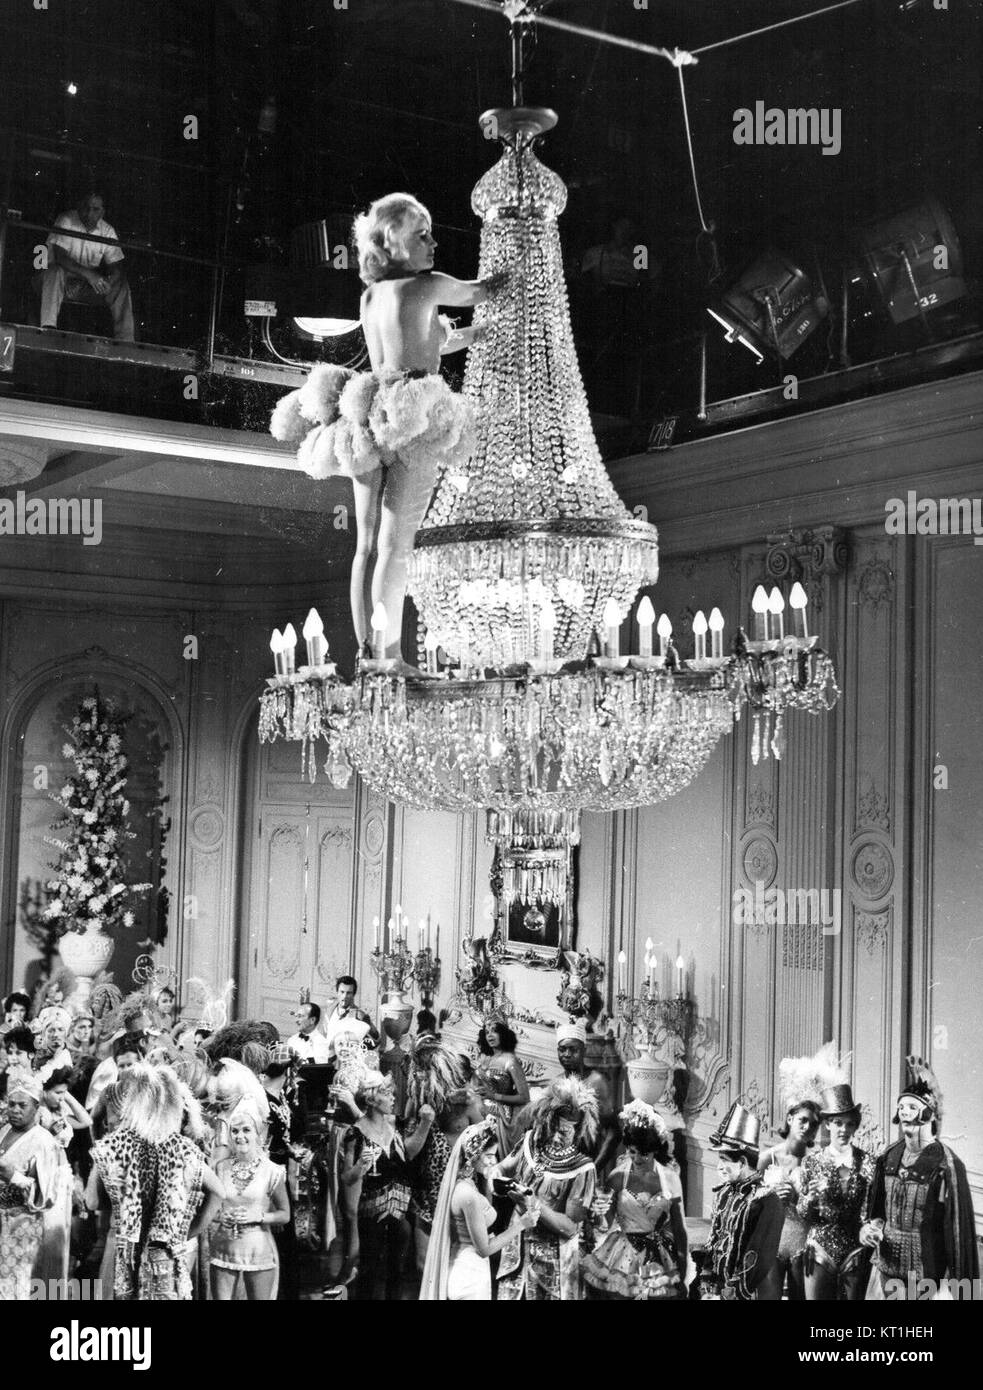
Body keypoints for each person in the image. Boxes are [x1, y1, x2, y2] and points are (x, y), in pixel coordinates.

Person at [271, 192, 504, 666]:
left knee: (367, 546)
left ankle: (369, 652)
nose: (434, 242)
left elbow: (423, 343)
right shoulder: (429, 285)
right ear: (391, 241)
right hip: (414, 416)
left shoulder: (372, 294)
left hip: (370, 413)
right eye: (422, 234)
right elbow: (481, 291)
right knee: (397, 548)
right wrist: (514, 260)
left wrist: (475, 337)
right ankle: (390, 655)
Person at [89, 1064, 223, 1300]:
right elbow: (218, 1191)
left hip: (125, 1250)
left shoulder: (114, 1146)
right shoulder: (182, 1148)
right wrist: (188, 1232)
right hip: (166, 1257)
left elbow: (91, 1202)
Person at [860, 1055, 979, 1300]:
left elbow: (957, 1236)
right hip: (884, 1274)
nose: (905, 1113)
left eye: (912, 1107)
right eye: (901, 1107)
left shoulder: (946, 1164)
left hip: (926, 1282)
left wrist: (958, 1290)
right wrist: (870, 1228)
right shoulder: (889, 1156)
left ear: (929, 1114)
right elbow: (876, 1212)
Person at [494, 1078, 599, 1302]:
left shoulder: (582, 1169)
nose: (554, 1137)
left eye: (564, 1132)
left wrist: (534, 1204)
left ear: (578, 1130)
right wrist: (494, 1173)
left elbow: (570, 1227)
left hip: (553, 1266)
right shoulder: (531, 1141)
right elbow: (504, 1166)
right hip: (517, 1255)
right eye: (553, 1128)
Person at [332, 1070, 431, 1300]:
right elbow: (346, 1178)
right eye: (387, 1094)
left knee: (396, 1272)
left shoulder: (394, 1125)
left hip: (400, 1214)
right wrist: (360, 1167)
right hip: (371, 1215)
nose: (393, 1098)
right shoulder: (355, 1133)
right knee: (369, 1271)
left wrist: (425, 1124)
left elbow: (408, 1153)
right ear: (371, 1100)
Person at [420, 1117, 540, 1300]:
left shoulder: (465, 1185)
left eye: (495, 1155)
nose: (494, 1161)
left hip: (467, 1269)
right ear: (473, 1156)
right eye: (489, 1156)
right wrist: (522, 1225)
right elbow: (484, 1249)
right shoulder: (468, 1196)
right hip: (469, 1276)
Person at [582, 1099, 689, 1300]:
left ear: (655, 1150)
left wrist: (682, 1271)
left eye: (644, 1154)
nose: (637, 1158)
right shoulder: (617, 1177)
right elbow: (604, 1224)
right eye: (632, 1151)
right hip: (622, 1253)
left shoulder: (671, 1178)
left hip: (658, 1256)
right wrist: (598, 1212)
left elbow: (680, 1229)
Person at [795, 1084, 875, 1301]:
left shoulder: (868, 1162)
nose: (844, 1130)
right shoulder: (811, 1162)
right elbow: (803, 1214)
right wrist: (810, 1200)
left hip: (854, 1250)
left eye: (850, 1124)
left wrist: (868, 1228)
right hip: (820, 1249)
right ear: (828, 1124)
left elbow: (868, 1210)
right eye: (838, 1123)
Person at [701, 1102, 784, 1301]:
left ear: (743, 1162)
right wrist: (706, 1283)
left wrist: (729, 1296)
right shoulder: (724, 1194)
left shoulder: (766, 1201)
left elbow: (757, 1258)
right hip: (717, 1289)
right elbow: (714, 1240)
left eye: (725, 1160)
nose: (720, 1167)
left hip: (748, 1293)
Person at [210, 1098, 290, 1300]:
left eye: (246, 1130)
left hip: (259, 1250)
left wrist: (260, 1216)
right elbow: (211, 1210)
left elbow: (285, 1215)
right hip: (223, 1249)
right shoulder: (221, 1168)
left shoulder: (272, 1171)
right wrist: (221, 1217)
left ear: (258, 1133)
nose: (240, 1136)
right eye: (235, 1131)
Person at [39, 192, 135, 341]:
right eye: (86, 208)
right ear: (79, 207)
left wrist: (111, 278)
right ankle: (48, 330)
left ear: (102, 212)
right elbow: (60, 258)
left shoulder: (108, 231)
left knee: (120, 284)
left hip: (83, 285)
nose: (90, 213)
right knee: (55, 271)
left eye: (95, 209)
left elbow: (116, 265)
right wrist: (90, 275)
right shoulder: (66, 220)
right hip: (52, 283)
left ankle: (126, 340)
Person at [0, 1074, 63, 1299]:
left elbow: (47, 1195)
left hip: (21, 1224)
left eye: (22, 1105)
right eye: (11, 1104)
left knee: (12, 1285)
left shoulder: (43, 1142)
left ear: (36, 1107)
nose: (15, 1110)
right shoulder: (4, 1130)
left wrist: (13, 1176)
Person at [757, 1096, 822, 1300]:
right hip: (772, 1239)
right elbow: (750, 1202)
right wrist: (771, 1197)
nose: (807, 1127)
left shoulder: (816, 1162)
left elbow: (820, 1210)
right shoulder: (768, 1157)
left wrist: (799, 1198)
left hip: (802, 1242)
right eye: (803, 1120)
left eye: (814, 1124)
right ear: (790, 1119)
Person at [555, 1022, 618, 1175]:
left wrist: (593, 1170)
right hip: (558, 1166)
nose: (567, 1055)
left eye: (573, 1049)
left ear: (584, 1050)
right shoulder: (557, 1082)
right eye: (562, 1049)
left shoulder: (596, 1081)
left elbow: (614, 1132)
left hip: (587, 1163)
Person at [474, 1016, 529, 1160]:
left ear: (503, 1034)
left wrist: (494, 1096)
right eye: (487, 1032)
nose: (490, 1035)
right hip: (481, 1104)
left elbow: (524, 1097)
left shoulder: (510, 1060)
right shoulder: (485, 1057)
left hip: (501, 1112)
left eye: (494, 1031)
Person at [321, 977, 378, 1056]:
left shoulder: (359, 1015)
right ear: (337, 992)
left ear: (353, 994)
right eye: (342, 992)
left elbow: (375, 1040)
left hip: (347, 1062)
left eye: (348, 993)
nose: (344, 996)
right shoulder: (329, 1010)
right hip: (327, 1060)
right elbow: (323, 1036)